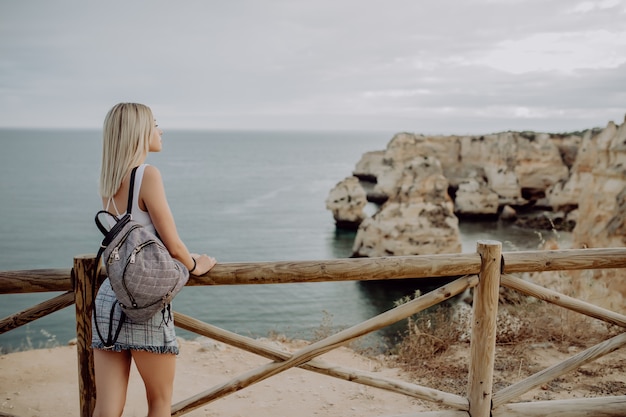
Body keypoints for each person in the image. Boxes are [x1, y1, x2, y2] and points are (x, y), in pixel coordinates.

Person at [92, 102, 217, 417]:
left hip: (110, 295)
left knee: (107, 407)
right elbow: (172, 245)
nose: (161, 130)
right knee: (159, 402)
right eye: (155, 123)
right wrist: (195, 265)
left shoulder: (109, 180)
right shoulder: (147, 175)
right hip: (143, 302)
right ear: (138, 132)